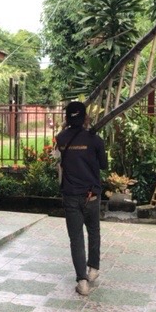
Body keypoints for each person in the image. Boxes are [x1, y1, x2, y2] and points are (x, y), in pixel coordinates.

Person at [56, 101, 107, 296]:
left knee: (76, 238)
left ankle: (82, 281)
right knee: (93, 231)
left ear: (67, 118)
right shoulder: (95, 140)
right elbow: (103, 165)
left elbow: (63, 156)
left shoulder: (61, 138)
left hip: (70, 195)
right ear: (86, 117)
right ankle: (93, 269)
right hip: (91, 195)